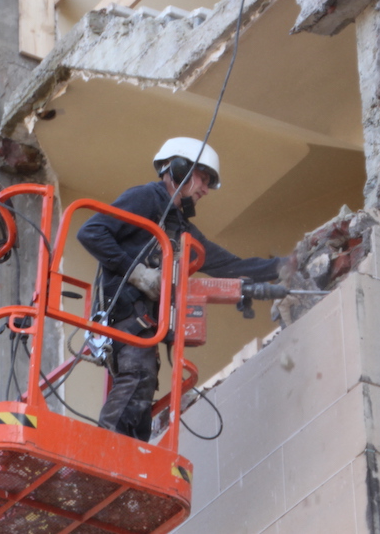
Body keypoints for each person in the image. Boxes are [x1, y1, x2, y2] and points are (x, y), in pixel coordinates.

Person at [77, 137, 281, 441]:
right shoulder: (146, 197)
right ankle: (106, 448)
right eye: (204, 177)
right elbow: (91, 231)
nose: (206, 189)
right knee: (138, 378)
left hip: (146, 326)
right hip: (125, 317)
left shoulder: (180, 228)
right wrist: (136, 272)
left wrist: (288, 265)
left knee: (143, 393)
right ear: (179, 167)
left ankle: (130, 456)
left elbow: (229, 266)